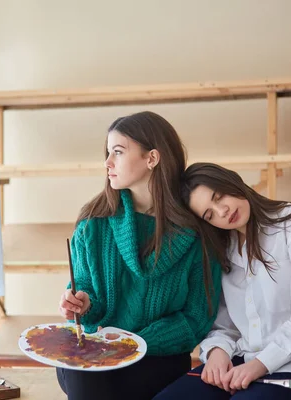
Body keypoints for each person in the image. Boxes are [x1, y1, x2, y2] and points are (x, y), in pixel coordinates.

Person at [56, 112, 223, 400]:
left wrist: (135, 344)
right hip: (94, 356)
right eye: (108, 153)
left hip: (158, 359)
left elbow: (197, 317)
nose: (107, 163)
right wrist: (81, 302)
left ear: (152, 158)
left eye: (118, 152)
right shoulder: (93, 222)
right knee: (85, 372)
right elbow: (84, 285)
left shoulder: (198, 232)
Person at [154, 163, 291, 400]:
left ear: (232, 181)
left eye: (219, 196)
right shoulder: (225, 250)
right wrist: (217, 352)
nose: (222, 211)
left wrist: (258, 365)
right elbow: (225, 324)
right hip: (243, 361)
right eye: (210, 214)